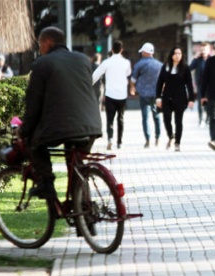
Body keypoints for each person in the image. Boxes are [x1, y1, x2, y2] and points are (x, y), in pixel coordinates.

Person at [19, 27, 102, 201]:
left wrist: (25, 130)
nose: (39, 48)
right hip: (91, 124)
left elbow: (33, 102)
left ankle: (46, 184)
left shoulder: (42, 64)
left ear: (48, 42)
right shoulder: (83, 60)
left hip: (62, 126)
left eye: (40, 43)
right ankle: (81, 209)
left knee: (34, 143)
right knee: (76, 168)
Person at [93, 40, 132, 150]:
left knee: (109, 119)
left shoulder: (106, 62)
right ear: (121, 50)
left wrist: (88, 85)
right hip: (122, 95)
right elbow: (128, 73)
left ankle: (110, 138)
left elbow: (95, 75)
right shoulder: (126, 62)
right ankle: (119, 142)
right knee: (121, 118)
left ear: (111, 50)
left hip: (110, 94)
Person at [155, 46, 195, 152]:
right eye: (175, 53)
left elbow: (189, 84)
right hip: (167, 97)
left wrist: (191, 99)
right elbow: (160, 83)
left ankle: (177, 142)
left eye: (180, 53)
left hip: (180, 97)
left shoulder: (185, 68)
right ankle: (171, 136)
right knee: (166, 118)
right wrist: (158, 97)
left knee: (178, 121)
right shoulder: (166, 66)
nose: (177, 55)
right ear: (171, 55)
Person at [130, 42, 163, 148]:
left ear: (144, 52)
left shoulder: (139, 64)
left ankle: (148, 140)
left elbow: (133, 79)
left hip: (144, 94)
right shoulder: (159, 65)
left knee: (145, 117)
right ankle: (157, 138)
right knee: (157, 116)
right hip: (156, 94)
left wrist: (132, 87)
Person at [189, 42, 212, 127]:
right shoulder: (198, 60)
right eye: (201, 50)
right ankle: (201, 119)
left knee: (209, 103)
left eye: (204, 49)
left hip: (210, 85)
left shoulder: (212, 59)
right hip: (200, 85)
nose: (203, 51)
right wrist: (194, 58)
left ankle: (208, 119)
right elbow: (190, 68)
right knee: (201, 103)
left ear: (209, 50)